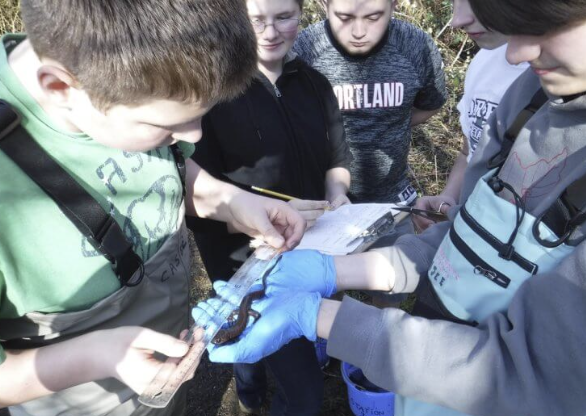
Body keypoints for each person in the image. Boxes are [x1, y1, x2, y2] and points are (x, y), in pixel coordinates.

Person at [193, 0, 586, 414]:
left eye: (541, 27)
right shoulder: (531, 95)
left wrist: (316, 315)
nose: (514, 54)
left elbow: (518, 373)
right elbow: (462, 243)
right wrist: (334, 271)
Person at [0, 1, 306, 415]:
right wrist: (97, 356)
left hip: (167, 375)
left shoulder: (127, 88)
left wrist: (229, 201)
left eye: (201, 115)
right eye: (167, 127)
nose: (194, 135)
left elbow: (164, 170)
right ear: (59, 88)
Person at [187, 0, 352, 413]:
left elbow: (338, 157)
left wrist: (338, 194)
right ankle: (250, 391)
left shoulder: (314, 84)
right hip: (245, 265)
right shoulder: (210, 95)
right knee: (302, 393)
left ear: (302, 15)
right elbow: (194, 204)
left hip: (312, 248)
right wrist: (264, 212)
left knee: (296, 358)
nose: (271, 31)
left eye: (285, 17)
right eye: (256, 19)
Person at [293, 0, 447, 210]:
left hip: (393, 200)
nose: (358, 32)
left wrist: (394, 122)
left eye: (373, 17)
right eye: (344, 18)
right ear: (325, 4)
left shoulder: (414, 46)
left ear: (394, 5)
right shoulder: (304, 49)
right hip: (321, 204)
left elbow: (431, 104)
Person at [412, 0, 528, 232]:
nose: (457, 20)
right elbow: (469, 152)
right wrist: (448, 200)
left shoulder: (559, 81)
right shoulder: (484, 59)